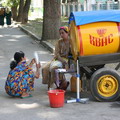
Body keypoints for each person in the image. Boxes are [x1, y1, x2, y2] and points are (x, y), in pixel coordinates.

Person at [42, 26, 70, 90]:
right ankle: (53, 84)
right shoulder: (59, 42)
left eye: (63, 33)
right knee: (45, 68)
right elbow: (57, 54)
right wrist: (62, 61)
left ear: (67, 33)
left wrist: (65, 63)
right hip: (58, 59)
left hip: (67, 60)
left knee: (54, 68)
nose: (61, 35)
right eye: (60, 33)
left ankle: (52, 86)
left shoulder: (71, 42)